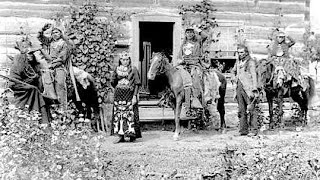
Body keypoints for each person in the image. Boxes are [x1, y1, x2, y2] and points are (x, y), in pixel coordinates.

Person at [8, 40, 51, 124]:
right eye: (28, 53)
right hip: (19, 86)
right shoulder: (19, 61)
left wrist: (37, 78)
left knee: (37, 91)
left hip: (31, 87)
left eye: (31, 53)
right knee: (34, 90)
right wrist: (29, 82)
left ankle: (39, 119)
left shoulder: (34, 64)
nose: (30, 55)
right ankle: (39, 119)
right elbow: (14, 80)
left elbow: (37, 77)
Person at [37, 23, 71, 111]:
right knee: (45, 82)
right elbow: (40, 37)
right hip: (49, 66)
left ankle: (63, 108)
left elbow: (62, 58)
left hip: (59, 67)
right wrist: (43, 29)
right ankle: (51, 105)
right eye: (53, 33)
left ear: (60, 33)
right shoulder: (50, 42)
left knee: (60, 84)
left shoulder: (64, 44)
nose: (54, 34)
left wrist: (52, 65)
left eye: (57, 32)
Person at [111, 51, 142, 143]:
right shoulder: (116, 69)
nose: (125, 61)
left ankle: (131, 135)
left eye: (127, 59)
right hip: (119, 96)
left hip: (130, 95)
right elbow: (113, 81)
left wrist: (135, 96)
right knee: (119, 114)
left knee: (130, 114)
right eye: (123, 60)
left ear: (129, 60)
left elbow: (137, 83)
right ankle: (120, 136)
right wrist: (119, 88)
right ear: (120, 60)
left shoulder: (133, 69)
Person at [176, 26, 208, 115]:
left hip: (195, 65)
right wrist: (181, 61)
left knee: (195, 78)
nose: (189, 34)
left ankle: (196, 99)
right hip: (184, 65)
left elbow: (205, 36)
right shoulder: (183, 45)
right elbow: (178, 58)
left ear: (194, 34)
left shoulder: (198, 43)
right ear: (185, 34)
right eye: (187, 32)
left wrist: (198, 30)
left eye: (191, 32)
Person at [231, 44, 259, 136]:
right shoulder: (238, 61)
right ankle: (243, 130)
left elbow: (254, 75)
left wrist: (255, 88)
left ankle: (254, 130)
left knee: (251, 109)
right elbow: (233, 71)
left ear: (246, 52)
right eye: (239, 52)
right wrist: (233, 77)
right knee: (241, 110)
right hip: (239, 88)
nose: (240, 54)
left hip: (248, 88)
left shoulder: (250, 62)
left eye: (242, 52)